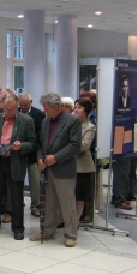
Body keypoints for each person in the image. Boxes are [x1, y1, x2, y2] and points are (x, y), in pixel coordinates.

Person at [30, 93, 81, 247]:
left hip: (64, 169)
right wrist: (40, 158)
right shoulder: (45, 122)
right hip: (47, 169)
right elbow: (40, 144)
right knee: (48, 203)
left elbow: (74, 146)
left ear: (57, 107)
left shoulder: (72, 121)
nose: (44, 110)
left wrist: (56, 158)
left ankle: (71, 235)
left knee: (67, 204)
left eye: (46, 107)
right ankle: (47, 231)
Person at [0, 94, 35, 240]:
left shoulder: (26, 120)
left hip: (15, 161)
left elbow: (32, 142)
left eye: (12, 109)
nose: (9, 112)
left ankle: (18, 228)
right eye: (6, 109)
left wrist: (21, 146)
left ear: (17, 106)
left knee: (16, 197)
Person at [19, 93, 46, 217]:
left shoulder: (39, 114)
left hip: (33, 153)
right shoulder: (16, 112)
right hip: (19, 153)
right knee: (18, 181)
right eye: (21, 105)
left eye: (26, 105)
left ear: (31, 102)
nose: (24, 107)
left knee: (35, 182)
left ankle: (36, 206)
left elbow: (40, 135)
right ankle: (19, 204)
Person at [74, 97, 96, 222]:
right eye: (75, 107)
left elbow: (84, 146)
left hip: (83, 167)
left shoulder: (90, 127)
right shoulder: (70, 124)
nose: (76, 110)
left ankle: (76, 220)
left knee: (80, 196)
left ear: (86, 111)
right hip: (69, 166)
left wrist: (70, 145)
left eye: (79, 107)